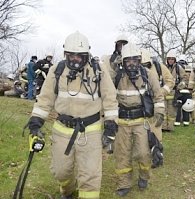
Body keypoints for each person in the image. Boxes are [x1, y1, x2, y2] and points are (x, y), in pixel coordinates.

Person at [26, 31, 118, 198]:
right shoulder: (57, 70)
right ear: (65, 54)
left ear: (86, 54)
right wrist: (35, 123)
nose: (75, 59)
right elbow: (45, 99)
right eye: (71, 55)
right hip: (62, 130)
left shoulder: (98, 70)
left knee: (90, 174)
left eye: (79, 56)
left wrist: (111, 125)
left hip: (91, 130)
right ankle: (67, 190)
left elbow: (110, 99)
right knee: (61, 172)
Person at [112, 43, 165, 196]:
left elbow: (158, 95)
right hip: (122, 122)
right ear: (123, 62)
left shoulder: (148, 74)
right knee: (123, 154)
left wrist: (160, 112)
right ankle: (124, 184)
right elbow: (108, 94)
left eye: (135, 60)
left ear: (140, 60)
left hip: (141, 121)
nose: (132, 64)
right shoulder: (117, 76)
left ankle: (144, 176)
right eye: (128, 61)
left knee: (143, 153)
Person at [140, 48, 175, 142]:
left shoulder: (159, 67)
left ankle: (157, 148)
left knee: (155, 126)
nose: (144, 67)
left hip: (156, 101)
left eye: (146, 65)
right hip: (140, 102)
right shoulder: (135, 68)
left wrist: (161, 91)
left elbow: (170, 81)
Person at [163, 49, 188, 130]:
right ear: (167, 59)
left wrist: (182, 84)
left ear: (175, 60)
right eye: (169, 59)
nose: (170, 60)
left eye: (172, 59)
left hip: (174, 91)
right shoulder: (163, 67)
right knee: (163, 109)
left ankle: (170, 127)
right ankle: (163, 126)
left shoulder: (178, 68)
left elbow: (184, 78)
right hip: (164, 90)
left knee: (171, 110)